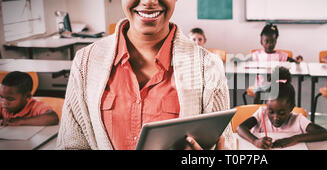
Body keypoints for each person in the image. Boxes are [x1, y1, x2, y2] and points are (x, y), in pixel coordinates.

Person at [57, 0, 233, 150]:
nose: (149, 1)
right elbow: (71, 144)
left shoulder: (208, 66)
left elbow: (224, 145)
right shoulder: (85, 62)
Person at [237, 67, 327, 149]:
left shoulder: (298, 120)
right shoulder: (261, 113)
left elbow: (325, 133)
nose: (276, 117)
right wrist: (255, 141)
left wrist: (294, 139)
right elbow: (240, 128)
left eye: (281, 113)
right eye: (271, 112)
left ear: (291, 108)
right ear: (266, 106)